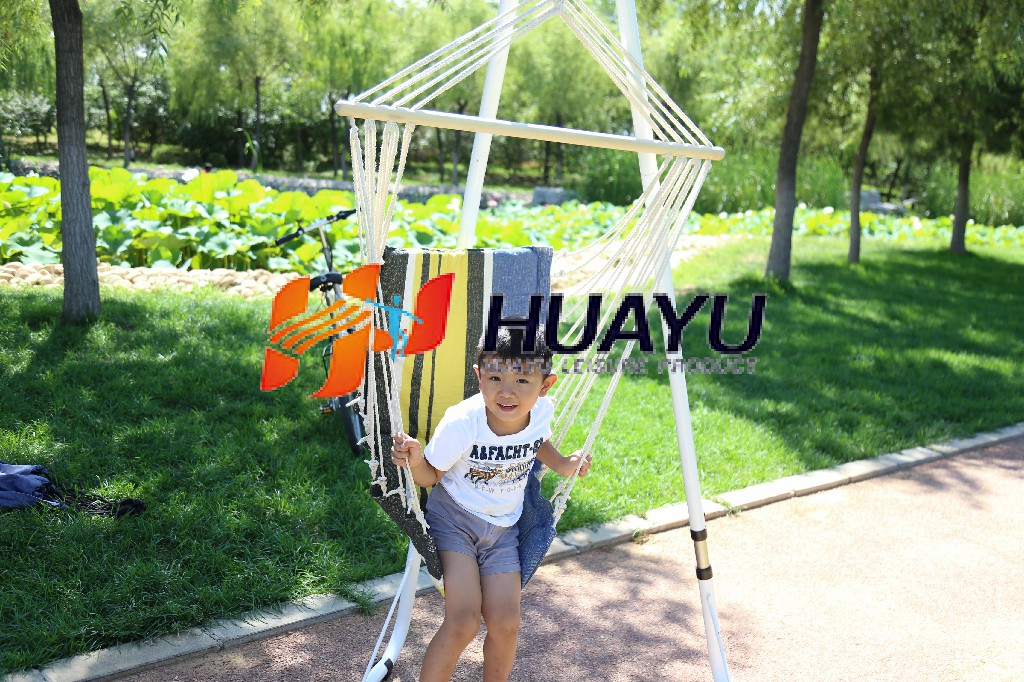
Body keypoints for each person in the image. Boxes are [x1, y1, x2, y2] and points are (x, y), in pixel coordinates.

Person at [392, 325, 592, 682]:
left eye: (522, 381)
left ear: (545, 385)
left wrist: (563, 464)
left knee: (506, 624)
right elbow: (429, 476)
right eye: (496, 377)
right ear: (479, 376)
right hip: (454, 522)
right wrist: (415, 459)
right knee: (463, 622)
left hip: (503, 530)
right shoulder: (463, 422)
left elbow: (537, 441)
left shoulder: (542, 411)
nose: (507, 391)